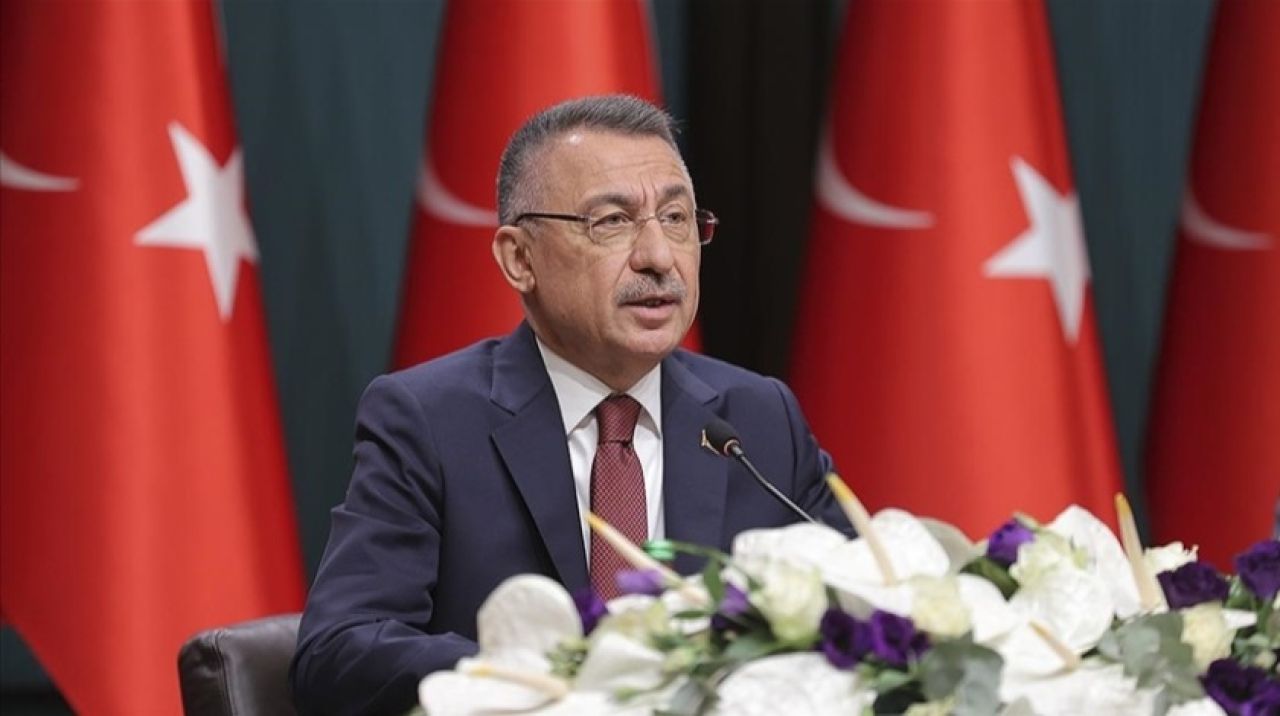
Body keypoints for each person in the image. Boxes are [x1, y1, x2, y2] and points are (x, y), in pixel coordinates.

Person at [290, 94, 850, 715]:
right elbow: (338, 653)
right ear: (519, 258)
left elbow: (864, 614)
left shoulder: (758, 419)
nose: (659, 257)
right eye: (611, 221)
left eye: (676, 218)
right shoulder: (429, 421)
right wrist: (567, 675)